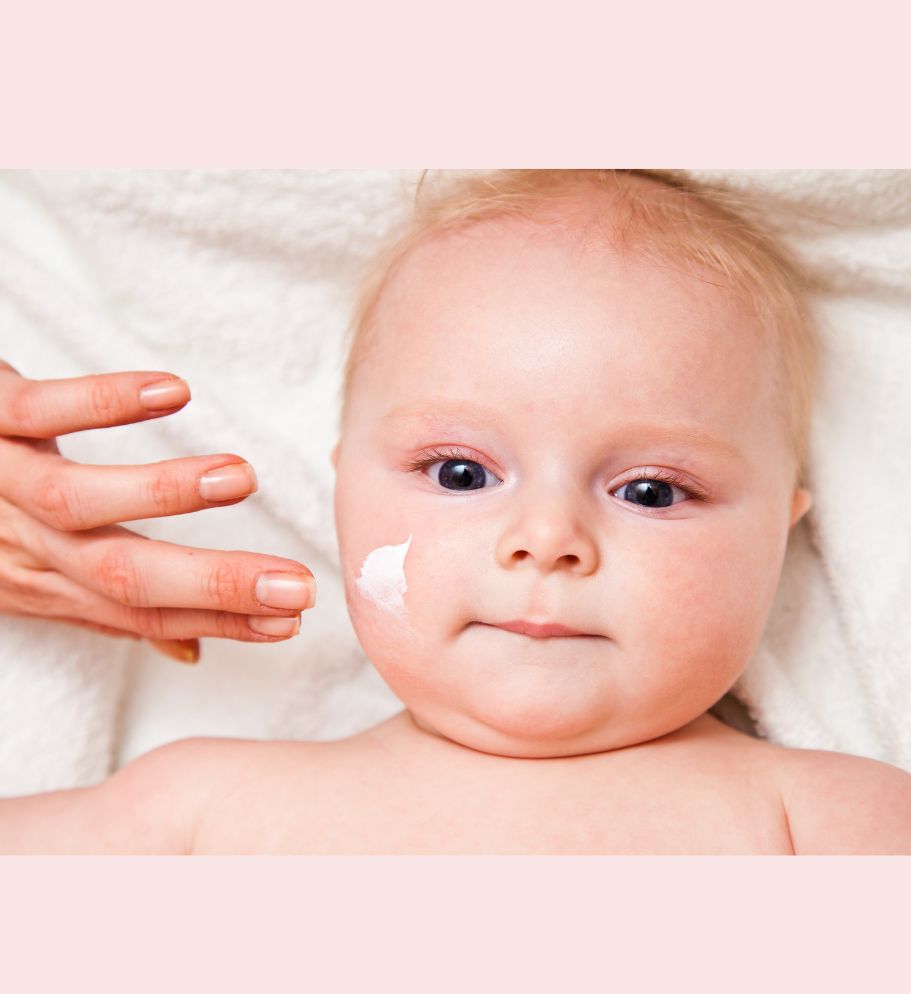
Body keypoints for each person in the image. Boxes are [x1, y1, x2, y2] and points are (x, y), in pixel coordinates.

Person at [2, 169, 910, 853]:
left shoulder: (826, 820)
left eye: (650, 492)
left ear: (783, 530)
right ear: (340, 492)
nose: (546, 542)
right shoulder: (191, 809)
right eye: (461, 475)